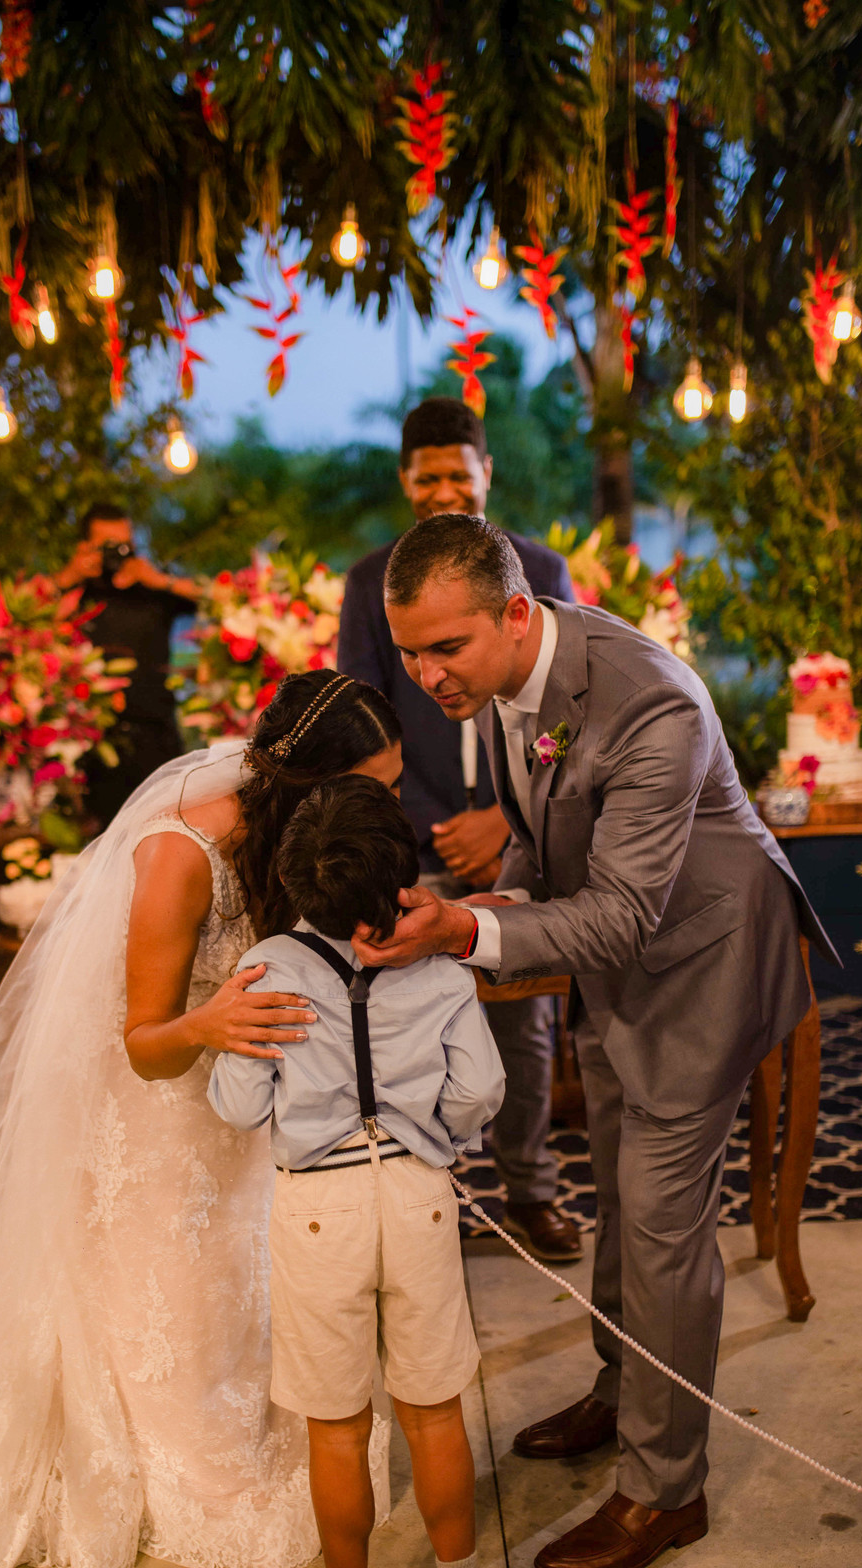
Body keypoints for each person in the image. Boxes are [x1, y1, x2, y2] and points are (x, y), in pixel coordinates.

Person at [0, 671, 404, 1568]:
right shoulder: (181, 852)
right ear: (311, 785)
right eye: (377, 787)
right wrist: (215, 1020)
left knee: (246, 1287)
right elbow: (142, 1042)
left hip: (244, 1112)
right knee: (175, 1304)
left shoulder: (307, 847)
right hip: (160, 1118)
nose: (391, 808)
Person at [351, 514, 838, 1568]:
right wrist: (488, 895)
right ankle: (624, 1389)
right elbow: (551, 830)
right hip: (620, 964)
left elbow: (618, 914)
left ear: (516, 615)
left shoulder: (648, 697)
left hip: (701, 960)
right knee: (620, 1196)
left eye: (447, 649)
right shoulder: (511, 676)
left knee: (662, 1222)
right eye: (411, 652)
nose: (426, 675)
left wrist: (464, 929)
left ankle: (667, 1491)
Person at [208, 775, 506, 1568]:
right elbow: (480, 1089)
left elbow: (238, 1101)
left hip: (317, 1212)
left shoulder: (266, 968)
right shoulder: (443, 964)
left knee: (335, 1427)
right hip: (416, 1195)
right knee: (435, 1408)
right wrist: (436, 1141)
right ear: (399, 871)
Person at [338, 397, 581, 1264]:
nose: (445, 487)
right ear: (407, 482)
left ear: (487, 474)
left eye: (459, 471)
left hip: (517, 829)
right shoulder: (374, 581)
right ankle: (429, 1201)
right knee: (409, 1020)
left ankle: (531, 1192)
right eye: (427, 474)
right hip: (418, 834)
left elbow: (568, 714)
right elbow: (365, 712)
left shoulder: (542, 565)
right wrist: (427, 824)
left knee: (524, 1023)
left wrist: (502, 820)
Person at [52, 502, 201, 827]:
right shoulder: (75, 594)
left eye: (125, 544)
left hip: (157, 735)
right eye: (108, 546)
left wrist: (159, 579)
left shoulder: (150, 589)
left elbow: (213, 597)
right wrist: (70, 575)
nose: (118, 553)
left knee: (163, 833)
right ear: (85, 546)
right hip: (93, 744)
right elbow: (22, 621)